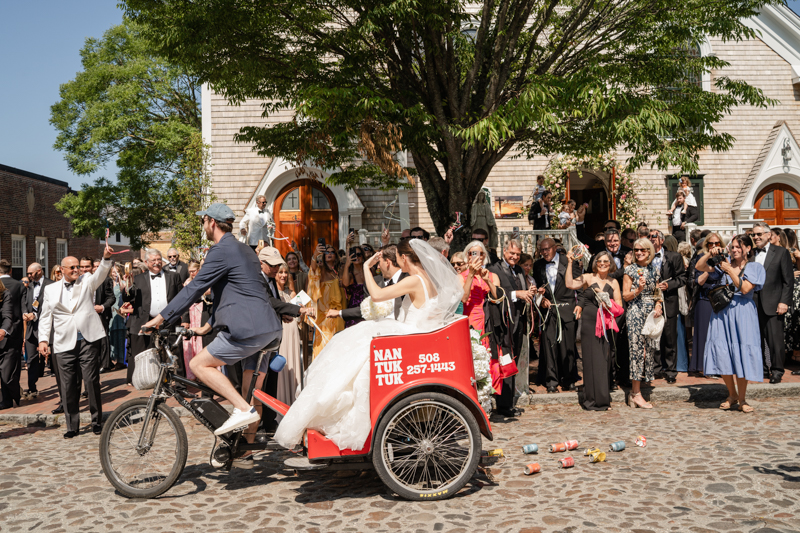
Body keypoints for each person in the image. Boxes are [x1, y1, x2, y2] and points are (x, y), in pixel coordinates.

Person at [275, 238, 463, 451]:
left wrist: (365, 267)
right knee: (354, 344)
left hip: (407, 333)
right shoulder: (426, 278)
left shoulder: (415, 279)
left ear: (403, 257)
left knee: (352, 345)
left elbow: (377, 294)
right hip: (411, 333)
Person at [143, 203, 284, 441]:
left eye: (203, 222)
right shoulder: (246, 250)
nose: (203, 227)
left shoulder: (219, 251)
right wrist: (209, 326)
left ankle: (241, 409)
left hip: (247, 330)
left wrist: (161, 317)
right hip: (268, 328)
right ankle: (245, 449)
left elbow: (196, 288)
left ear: (210, 222)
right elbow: (231, 291)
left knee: (199, 365)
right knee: (250, 391)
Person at [37, 246, 113, 436]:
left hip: (88, 339)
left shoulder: (86, 281)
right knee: (68, 384)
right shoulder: (50, 289)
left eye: (77, 267)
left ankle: (96, 421)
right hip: (63, 342)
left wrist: (105, 258)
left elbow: (100, 275)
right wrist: (43, 340)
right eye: (71, 267)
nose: (75, 270)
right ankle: (72, 426)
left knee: (91, 381)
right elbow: (45, 317)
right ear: (61, 270)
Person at [696, 235, 765, 412]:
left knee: (742, 353)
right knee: (722, 351)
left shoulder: (754, 267)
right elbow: (699, 267)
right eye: (732, 247)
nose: (734, 250)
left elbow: (745, 288)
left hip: (743, 312)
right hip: (722, 312)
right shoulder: (723, 264)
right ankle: (732, 394)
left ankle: (742, 399)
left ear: (748, 249)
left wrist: (730, 270)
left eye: (738, 247)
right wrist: (709, 253)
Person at [122, 249, 190, 389]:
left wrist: (185, 319)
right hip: (147, 321)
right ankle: (156, 383)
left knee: (175, 352)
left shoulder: (174, 276)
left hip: (170, 320)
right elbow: (128, 298)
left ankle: (180, 384)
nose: (157, 263)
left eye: (159, 259)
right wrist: (127, 285)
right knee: (151, 355)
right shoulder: (139, 279)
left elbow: (183, 299)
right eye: (153, 260)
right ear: (146, 262)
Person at [568, 250, 622, 411]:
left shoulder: (614, 282)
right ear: (595, 263)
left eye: (606, 261)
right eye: (600, 261)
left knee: (603, 361)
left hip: (605, 323)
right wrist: (570, 261)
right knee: (590, 361)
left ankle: (603, 400)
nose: (603, 264)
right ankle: (589, 400)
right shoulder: (588, 277)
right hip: (589, 323)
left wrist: (608, 302)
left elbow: (619, 308)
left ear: (610, 263)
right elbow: (570, 284)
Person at [532, 238, 581, 393]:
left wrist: (580, 305)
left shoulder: (569, 261)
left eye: (547, 249)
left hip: (567, 309)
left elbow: (580, 285)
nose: (545, 252)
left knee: (568, 347)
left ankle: (569, 379)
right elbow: (539, 288)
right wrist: (541, 299)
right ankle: (551, 381)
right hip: (549, 311)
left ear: (555, 248)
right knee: (549, 346)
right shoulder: (538, 265)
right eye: (542, 250)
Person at [750, 222, 794, 383]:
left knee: (775, 340)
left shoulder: (781, 252)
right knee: (756, 339)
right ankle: (761, 369)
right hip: (753, 304)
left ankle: (777, 371)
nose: (756, 237)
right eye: (754, 234)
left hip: (774, 303)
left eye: (759, 234)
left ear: (769, 235)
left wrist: (784, 302)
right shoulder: (750, 253)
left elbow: (788, 281)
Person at [623, 238, 663, 409]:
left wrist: (659, 304)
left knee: (648, 352)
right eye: (636, 250)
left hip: (651, 313)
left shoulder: (654, 269)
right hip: (635, 312)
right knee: (637, 351)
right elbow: (625, 296)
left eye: (643, 250)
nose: (639, 253)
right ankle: (635, 393)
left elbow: (657, 292)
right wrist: (638, 290)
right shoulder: (630, 270)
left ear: (649, 252)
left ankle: (637, 392)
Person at [333, 244, 409, 323]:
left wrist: (366, 266)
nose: (378, 267)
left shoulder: (408, 279)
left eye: (379, 263)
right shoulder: (376, 281)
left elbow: (377, 296)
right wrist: (340, 313)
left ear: (387, 262)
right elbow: (368, 308)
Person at [648, 230, 686, 384]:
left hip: (669, 301)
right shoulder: (645, 256)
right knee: (653, 336)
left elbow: (682, 278)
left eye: (654, 236)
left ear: (662, 240)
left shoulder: (674, 257)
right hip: (651, 302)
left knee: (670, 338)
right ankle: (656, 368)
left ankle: (670, 370)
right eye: (649, 237)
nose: (651, 239)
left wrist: (669, 285)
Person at [689, 234, 725, 377]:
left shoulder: (724, 257)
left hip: (721, 300)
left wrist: (722, 259)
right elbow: (699, 281)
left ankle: (719, 366)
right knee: (704, 335)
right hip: (705, 299)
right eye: (711, 244)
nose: (714, 246)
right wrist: (709, 263)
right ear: (707, 245)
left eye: (717, 243)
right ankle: (703, 367)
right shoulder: (701, 257)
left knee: (719, 335)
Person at [307, 243, 346, 358]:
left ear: (336, 256)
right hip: (325, 314)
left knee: (338, 343)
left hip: (339, 312)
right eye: (327, 252)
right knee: (325, 344)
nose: (329, 254)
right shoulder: (321, 270)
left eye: (332, 252)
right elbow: (312, 270)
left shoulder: (338, 271)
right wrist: (315, 254)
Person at [21, 263, 53, 401]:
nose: (28, 276)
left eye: (31, 273)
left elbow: (51, 307)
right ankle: (32, 387)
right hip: (31, 330)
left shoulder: (50, 285)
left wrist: (36, 315)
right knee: (31, 359)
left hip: (46, 328)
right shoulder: (29, 286)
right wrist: (25, 314)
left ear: (39, 271)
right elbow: (24, 302)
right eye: (27, 273)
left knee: (53, 360)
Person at [460, 240, 499, 350]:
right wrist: (471, 274)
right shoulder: (460, 277)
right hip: (471, 320)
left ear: (484, 256)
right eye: (473, 253)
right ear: (468, 256)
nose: (477, 257)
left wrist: (488, 281)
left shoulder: (492, 276)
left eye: (480, 253)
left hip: (490, 320)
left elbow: (498, 298)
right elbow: (463, 298)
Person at [275, 263, 303, 411]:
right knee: (283, 365)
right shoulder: (274, 294)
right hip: (282, 333)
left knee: (294, 363)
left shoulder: (291, 293)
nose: (283, 275)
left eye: (286, 272)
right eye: (280, 272)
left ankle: (294, 400)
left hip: (293, 332)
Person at [81, 256, 115, 373]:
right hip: (83, 317)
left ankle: (103, 364)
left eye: (88, 267)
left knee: (102, 341)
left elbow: (111, 298)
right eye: (82, 267)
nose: (85, 269)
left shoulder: (104, 280)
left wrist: (102, 307)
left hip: (99, 315)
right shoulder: (77, 281)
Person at [0, 260, 25, 410]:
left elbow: (8, 315)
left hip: (8, 335)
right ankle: (6, 401)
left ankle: (16, 392)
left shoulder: (6, 293)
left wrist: (3, 330)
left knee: (7, 374)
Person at [180, 261, 203, 381]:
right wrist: (185, 319)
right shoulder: (187, 283)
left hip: (200, 313)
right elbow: (184, 302)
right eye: (190, 272)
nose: (192, 274)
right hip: (191, 313)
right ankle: (192, 373)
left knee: (200, 341)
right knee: (190, 343)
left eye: (194, 271)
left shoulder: (204, 280)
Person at [342, 245, 368, 328]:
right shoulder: (350, 273)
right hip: (354, 305)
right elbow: (345, 284)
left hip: (368, 304)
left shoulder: (370, 270)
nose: (356, 257)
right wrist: (347, 265)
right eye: (353, 255)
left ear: (363, 256)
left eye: (359, 254)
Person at [108, 265, 128, 371]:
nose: (114, 273)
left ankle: (121, 360)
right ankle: (113, 358)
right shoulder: (109, 283)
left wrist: (120, 278)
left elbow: (123, 289)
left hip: (119, 310)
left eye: (116, 271)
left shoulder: (121, 283)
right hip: (110, 310)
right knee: (112, 334)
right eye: (113, 272)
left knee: (120, 335)